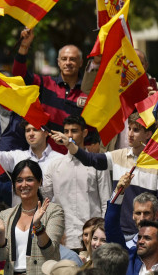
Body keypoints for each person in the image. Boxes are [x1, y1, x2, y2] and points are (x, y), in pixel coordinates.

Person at [64, 112, 157, 240]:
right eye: (129, 128)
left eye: (136, 130)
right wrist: (70, 145)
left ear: (148, 134)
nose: (130, 134)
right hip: (118, 231)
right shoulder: (119, 155)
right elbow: (90, 159)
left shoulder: (156, 163)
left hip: (145, 233)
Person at [12, 28, 89, 153]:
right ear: (58, 62)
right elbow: (18, 75)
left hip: (77, 156)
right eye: (64, 59)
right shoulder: (46, 84)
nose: (68, 63)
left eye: (72, 59)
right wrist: (24, 46)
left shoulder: (88, 91)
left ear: (80, 62)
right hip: (48, 157)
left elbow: (92, 128)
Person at [42, 115, 110, 250]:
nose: (69, 135)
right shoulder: (54, 165)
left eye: (74, 131)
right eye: (66, 131)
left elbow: (105, 201)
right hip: (63, 236)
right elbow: (47, 200)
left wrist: (102, 234)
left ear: (84, 133)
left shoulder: (97, 163)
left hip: (92, 238)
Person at [0, 160, 65, 274]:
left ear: (40, 182)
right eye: (19, 180)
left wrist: (38, 226)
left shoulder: (53, 211)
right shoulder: (6, 215)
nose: (24, 184)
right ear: (13, 185)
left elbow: (50, 252)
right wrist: (1, 234)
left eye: (29, 179)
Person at [0, 108, 63, 206]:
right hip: (20, 218)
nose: (31, 134)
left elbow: (62, 196)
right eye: (27, 130)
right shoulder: (17, 156)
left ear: (46, 133)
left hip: (48, 218)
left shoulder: (59, 160)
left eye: (35, 130)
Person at [105, 172, 158, 274]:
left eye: (146, 213)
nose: (142, 218)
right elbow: (111, 226)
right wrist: (118, 192)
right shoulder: (129, 254)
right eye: (138, 213)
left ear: (156, 215)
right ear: (133, 215)